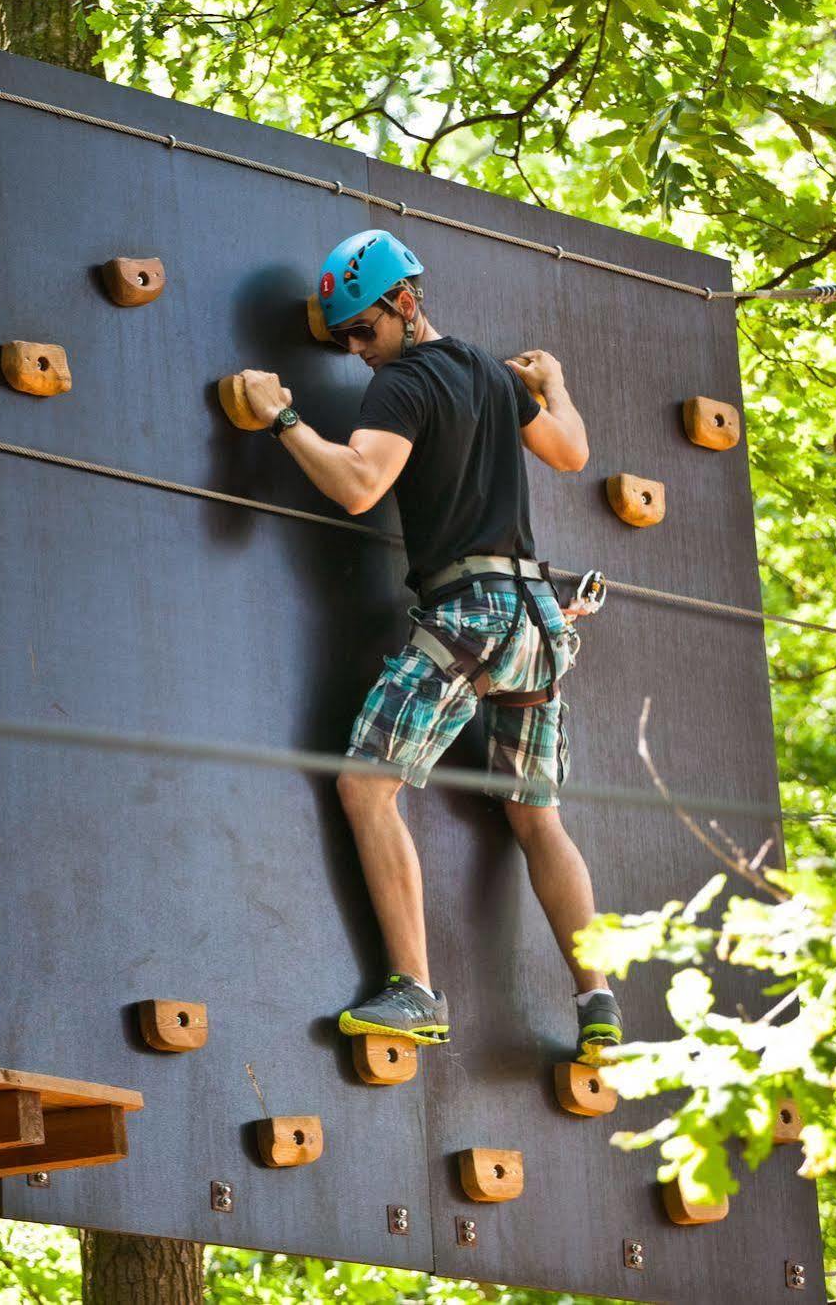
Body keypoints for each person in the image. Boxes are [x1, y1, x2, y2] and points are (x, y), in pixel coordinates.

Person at [229, 229, 622, 1064]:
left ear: (404, 304)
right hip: (537, 624)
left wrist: (282, 418)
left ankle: (412, 987)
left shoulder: (403, 383)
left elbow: (359, 484)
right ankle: (598, 1004)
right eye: (341, 339)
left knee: (366, 788)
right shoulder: (486, 369)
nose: (355, 351)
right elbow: (571, 450)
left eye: (361, 331)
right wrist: (554, 387)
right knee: (535, 817)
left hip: (469, 616)